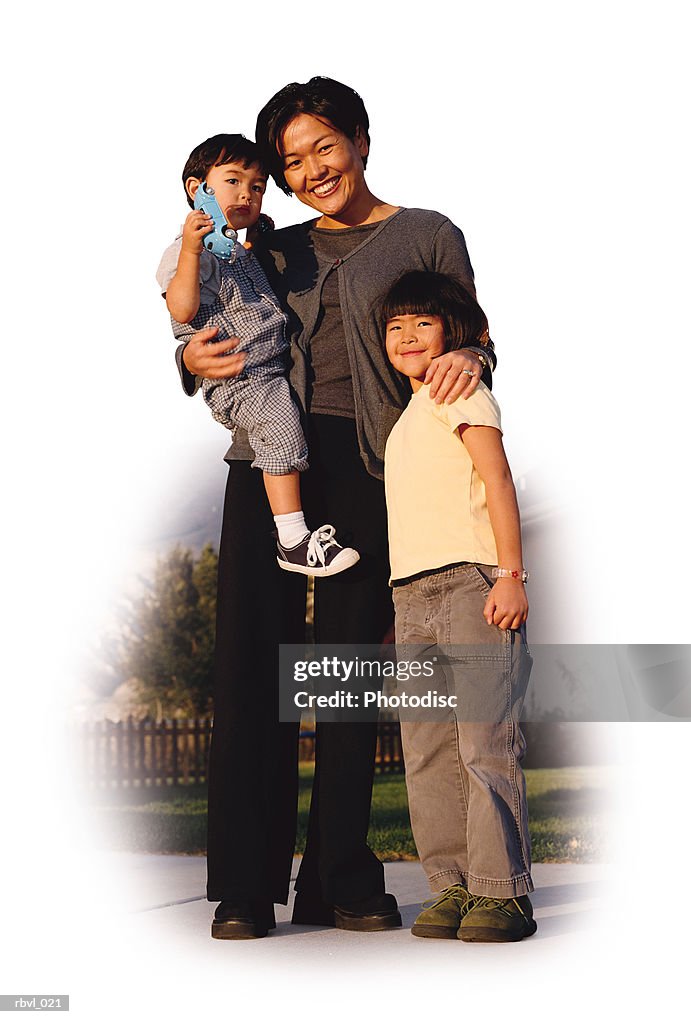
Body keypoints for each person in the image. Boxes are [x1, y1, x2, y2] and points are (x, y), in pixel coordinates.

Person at [176, 78, 496, 940]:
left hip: (370, 467)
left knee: (346, 674)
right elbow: (207, 324)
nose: (311, 169)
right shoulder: (269, 248)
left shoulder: (427, 233)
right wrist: (191, 362)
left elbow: (470, 335)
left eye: (324, 146)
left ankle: (339, 880)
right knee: (253, 667)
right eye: (290, 160)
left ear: (359, 139)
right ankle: (244, 885)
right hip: (266, 466)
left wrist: (470, 353)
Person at [382, 270, 536, 942]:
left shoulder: (459, 390)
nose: (407, 336)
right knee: (427, 750)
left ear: (453, 333)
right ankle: (451, 886)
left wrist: (510, 574)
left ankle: (502, 894)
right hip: (411, 593)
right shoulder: (406, 418)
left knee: (482, 744)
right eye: (394, 326)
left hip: (473, 582)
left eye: (422, 322)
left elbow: (497, 480)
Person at [157, 133, 359, 577]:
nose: (247, 194)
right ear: (199, 190)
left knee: (291, 425)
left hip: (270, 367)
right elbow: (182, 306)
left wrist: (260, 235)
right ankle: (292, 538)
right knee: (282, 429)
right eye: (233, 182)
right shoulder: (189, 254)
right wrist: (191, 250)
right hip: (239, 375)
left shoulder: (236, 250)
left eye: (258, 185)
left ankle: (298, 529)